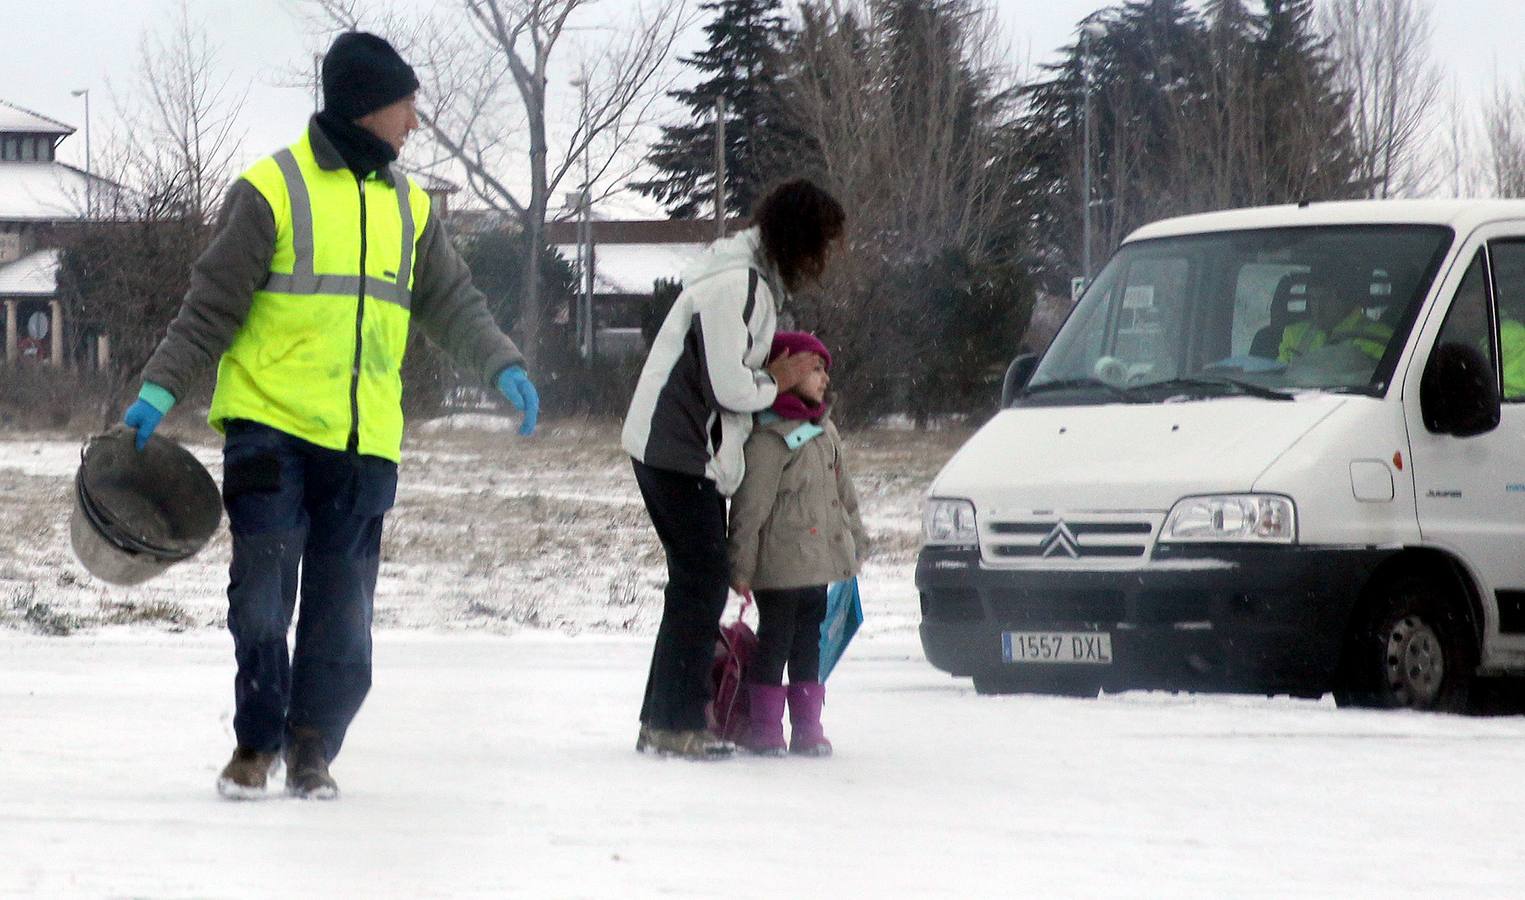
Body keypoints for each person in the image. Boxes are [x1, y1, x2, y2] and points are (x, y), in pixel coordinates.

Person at [122, 31, 540, 800]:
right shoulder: (270, 190)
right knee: (262, 598)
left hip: (363, 441)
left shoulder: (410, 207)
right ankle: (256, 744)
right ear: (366, 106)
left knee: (343, 620)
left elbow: (452, 302)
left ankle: (312, 747)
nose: (415, 122)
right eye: (406, 105)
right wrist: (159, 388)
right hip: (269, 430)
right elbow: (209, 307)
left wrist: (502, 363)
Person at [622, 179, 845, 760]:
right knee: (702, 582)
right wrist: (785, 379)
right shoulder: (737, 284)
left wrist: (769, 372)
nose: (823, 261)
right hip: (676, 449)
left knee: (693, 584)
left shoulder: (747, 278)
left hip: (676, 447)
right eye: (822, 245)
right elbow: (730, 386)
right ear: (800, 238)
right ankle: (675, 723)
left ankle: (662, 719)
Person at [726, 332, 867, 757]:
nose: (824, 378)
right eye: (813, 368)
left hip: (817, 563)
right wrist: (741, 568)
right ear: (786, 369)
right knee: (777, 638)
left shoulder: (824, 430)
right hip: (780, 564)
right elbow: (750, 509)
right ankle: (766, 726)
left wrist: (855, 542)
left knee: (810, 640)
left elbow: (845, 496)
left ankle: (808, 725)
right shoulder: (770, 437)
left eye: (825, 369)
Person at [1279, 279, 1393, 364]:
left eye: (1326, 298)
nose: (1318, 307)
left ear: (1346, 299)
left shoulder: (1381, 337)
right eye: (1313, 299)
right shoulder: (1294, 334)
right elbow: (1280, 377)